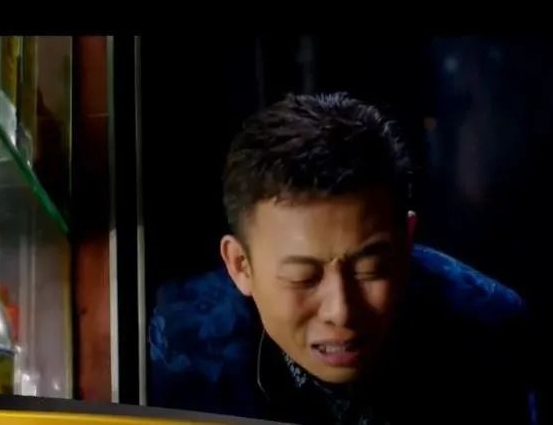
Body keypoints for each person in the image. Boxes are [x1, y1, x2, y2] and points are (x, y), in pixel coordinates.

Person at [148, 93, 537, 424]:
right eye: (303, 276)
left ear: (406, 242)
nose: (342, 312)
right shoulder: (173, 352)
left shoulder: (487, 332)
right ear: (240, 266)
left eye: (370, 269)